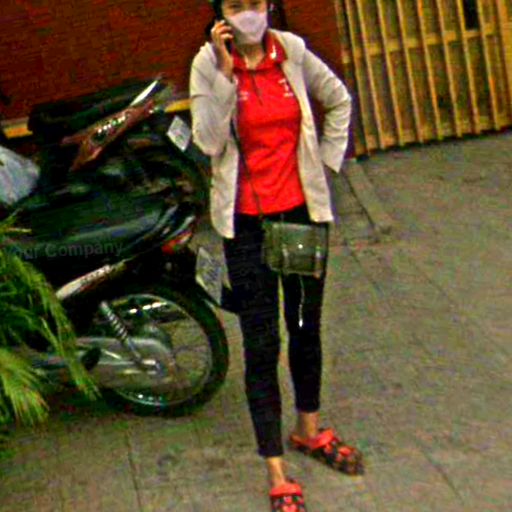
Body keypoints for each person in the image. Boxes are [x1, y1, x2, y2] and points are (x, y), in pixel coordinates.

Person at [189, 1, 364, 510]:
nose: (249, 14)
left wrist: (326, 164)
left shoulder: (292, 51)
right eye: (236, 5)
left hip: (301, 219)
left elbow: (339, 100)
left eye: (255, 3)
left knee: (306, 327)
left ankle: (309, 429)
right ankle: (276, 468)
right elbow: (209, 141)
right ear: (220, 14)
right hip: (246, 228)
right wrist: (225, 75)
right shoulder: (207, 64)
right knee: (262, 343)